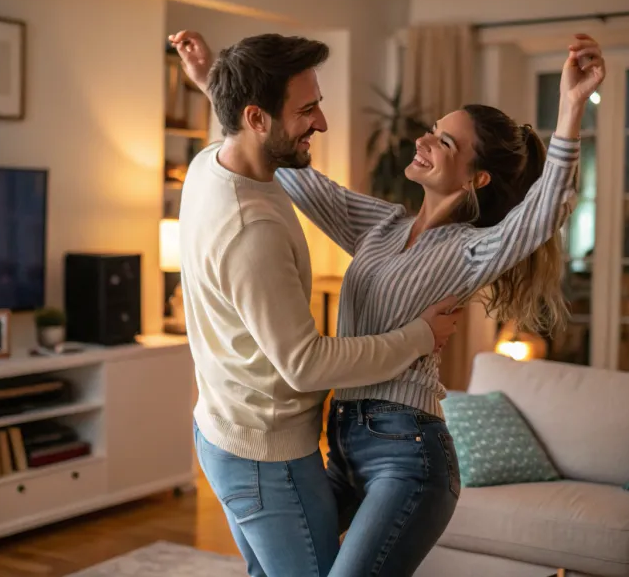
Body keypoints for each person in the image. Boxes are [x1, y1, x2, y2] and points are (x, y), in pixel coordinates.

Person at [175, 29, 606, 577]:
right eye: (431, 131)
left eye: (444, 143)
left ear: (476, 177)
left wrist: (570, 110)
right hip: (346, 447)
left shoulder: (469, 251)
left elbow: (541, 214)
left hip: (409, 457)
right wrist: (218, 84)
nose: (423, 142)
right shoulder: (380, 226)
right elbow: (279, 157)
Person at [168, 31, 462, 577]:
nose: (322, 122)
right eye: (308, 109)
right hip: (266, 458)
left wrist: (213, 81)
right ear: (257, 119)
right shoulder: (248, 230)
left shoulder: (213, 162)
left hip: (222, 431)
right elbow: (305, 365)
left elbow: (239, 120)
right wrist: (420, 335)